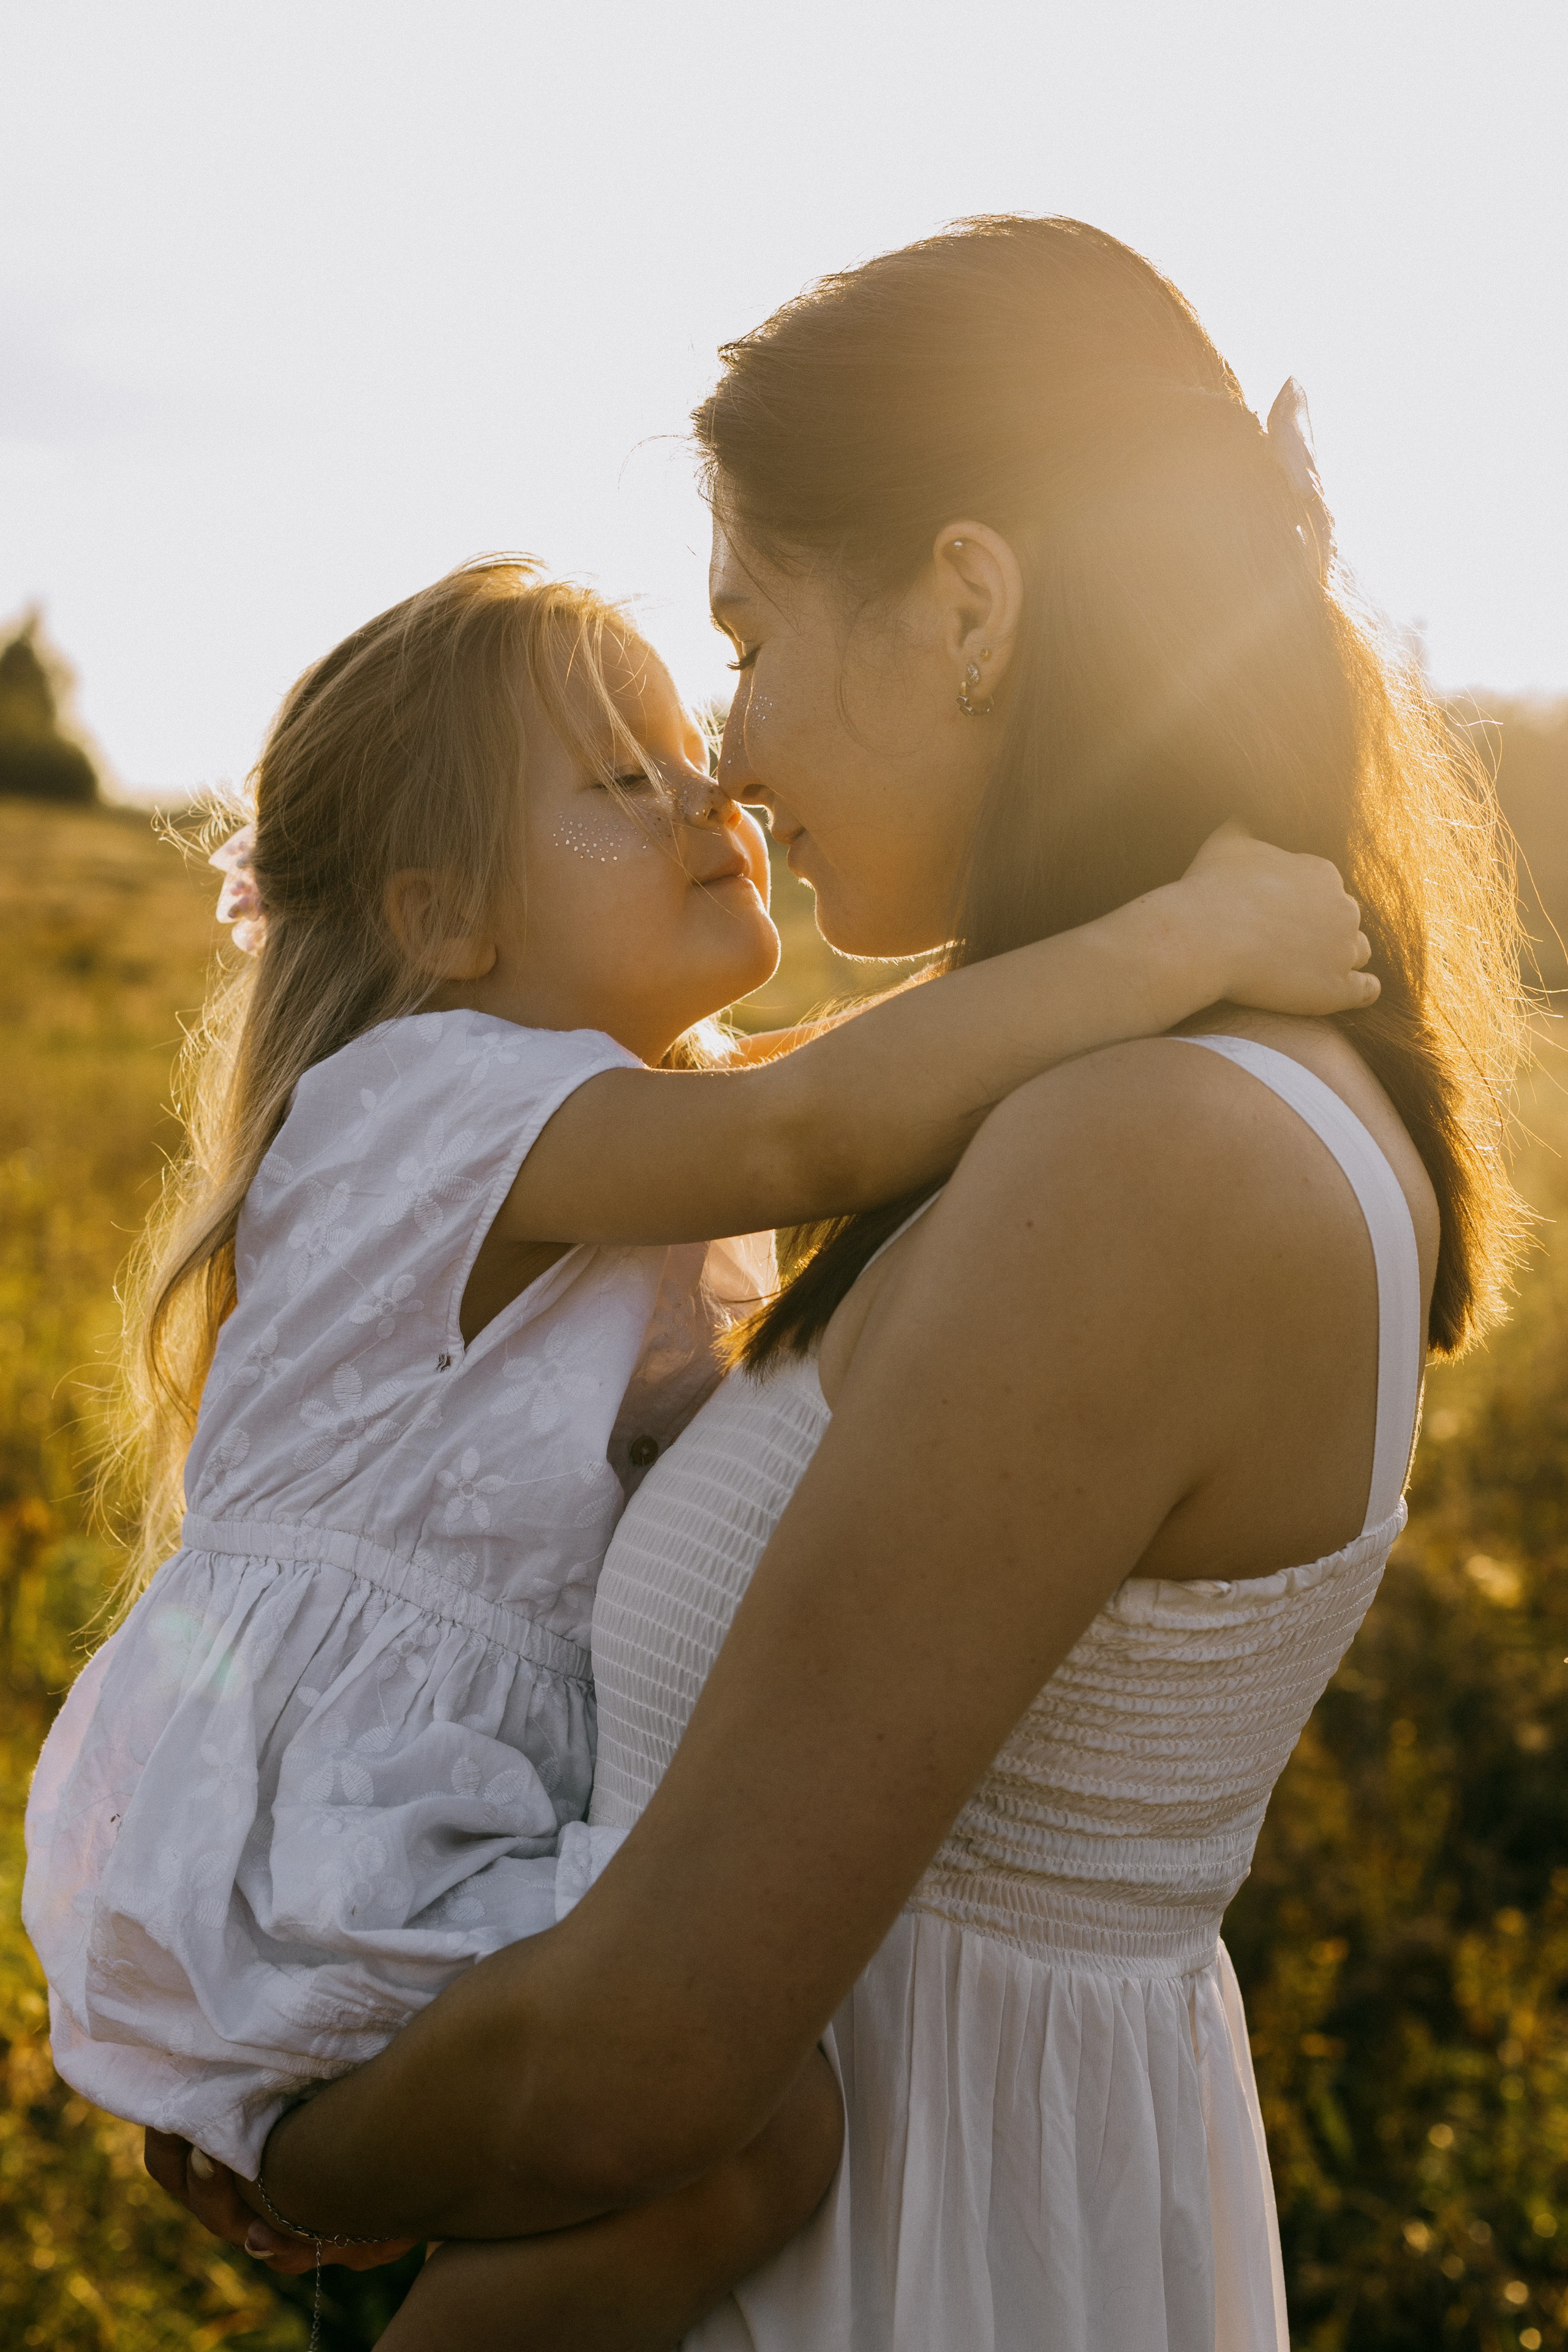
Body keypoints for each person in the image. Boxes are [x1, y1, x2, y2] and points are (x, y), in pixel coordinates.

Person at [143, 219, 1523, 2351]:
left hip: (924, 2266)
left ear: (970, 606)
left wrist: (291, 2146)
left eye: (748, 643)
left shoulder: (1144, 1154)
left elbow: (654, 2054)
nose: (737, 759)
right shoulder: (1112, 1106)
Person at [24, 550, 1371, 2343]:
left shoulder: (614, 1115)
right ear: (440, 923)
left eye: (688, 748)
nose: (714, 796)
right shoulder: (421, 1099)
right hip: (346, 1816)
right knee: (742, 2128)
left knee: (728, 2148)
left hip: (455, 1802)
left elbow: (866, 1074)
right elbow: (818, 1123)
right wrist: (1174, 940)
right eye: (623, 781)